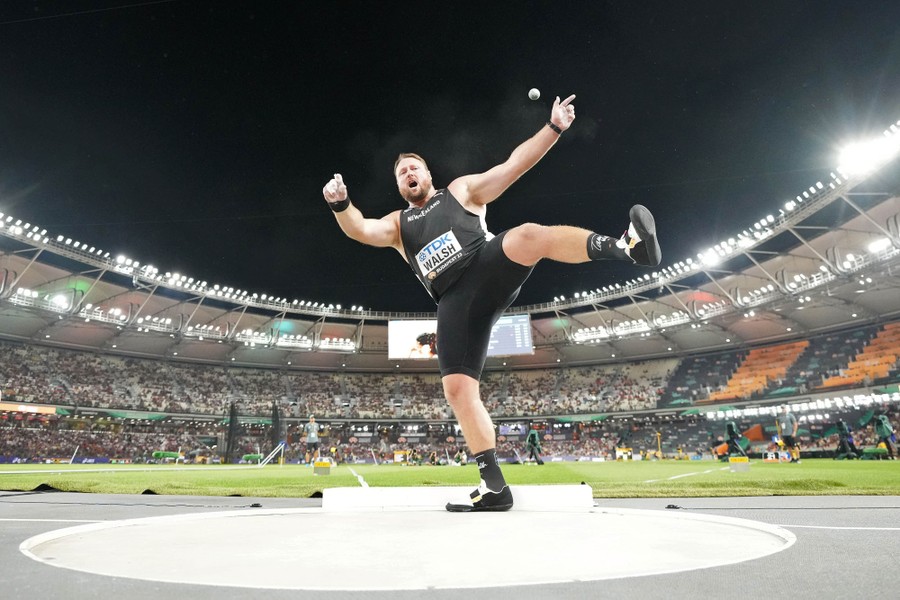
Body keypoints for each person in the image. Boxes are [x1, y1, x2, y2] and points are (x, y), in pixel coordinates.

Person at [323, 94, 661, 512]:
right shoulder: (397, 224)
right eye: (402, 173)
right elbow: (358, 228)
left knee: (527, 235)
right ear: (399, 186)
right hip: (454, 301)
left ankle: (627, 248)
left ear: (429, 174)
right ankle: (495, 486)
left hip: (485, 265)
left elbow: (513, 165)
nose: (409, 173)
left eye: (415, 167)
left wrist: (553, 128)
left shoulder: (462, 190)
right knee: (458, 389)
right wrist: (339, 203)